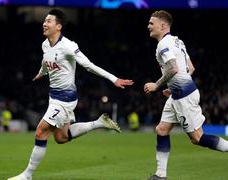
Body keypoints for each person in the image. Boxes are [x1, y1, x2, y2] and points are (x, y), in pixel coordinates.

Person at [8, 9, 134, 180]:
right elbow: (46, 62)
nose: (44, 23)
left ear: (58, 26)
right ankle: (99, 122)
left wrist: (114, 79)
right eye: (44, 20)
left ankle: (27, 175)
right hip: (54, 96)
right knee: (61, 137)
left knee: (40, 132)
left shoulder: (69, 46)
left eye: (49, 21)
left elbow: (89, 65)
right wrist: (41, 73)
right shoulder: (45, 44)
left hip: (65, 98)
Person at [144, 10, 228, 180]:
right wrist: (173, 87)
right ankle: (160, 175)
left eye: (151, 23)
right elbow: (190, 67)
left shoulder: (163, 44)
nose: (148, 26)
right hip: (178, 93)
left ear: (163, 25)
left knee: (197, 138)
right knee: (161, 130)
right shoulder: (178, 41)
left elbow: (173, 68)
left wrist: (157, 85)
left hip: (184, 96)